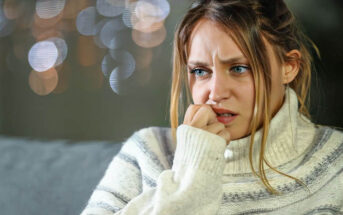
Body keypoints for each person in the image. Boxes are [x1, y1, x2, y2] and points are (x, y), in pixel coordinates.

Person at [81, 0, 343, 214]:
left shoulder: (337, 162)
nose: (215, 93)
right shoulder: (147, 152)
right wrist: (192, 170)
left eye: (239, 68)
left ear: (289, 67)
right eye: (200, 71)